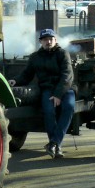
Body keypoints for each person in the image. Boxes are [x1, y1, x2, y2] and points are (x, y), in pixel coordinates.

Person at [8, 29, 75, 159]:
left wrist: (58, 95)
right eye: (45, 40)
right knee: (48, 111)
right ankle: (55, 145)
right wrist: (15, 80)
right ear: (40, 42)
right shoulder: (35, 57)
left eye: (51, 39)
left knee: (69, 106)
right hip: (47, 89)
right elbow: (27, 75)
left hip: (65, 89)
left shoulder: (63, 54)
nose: (48, 42)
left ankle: (54, 143)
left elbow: (67, 76)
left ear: (55, 40)